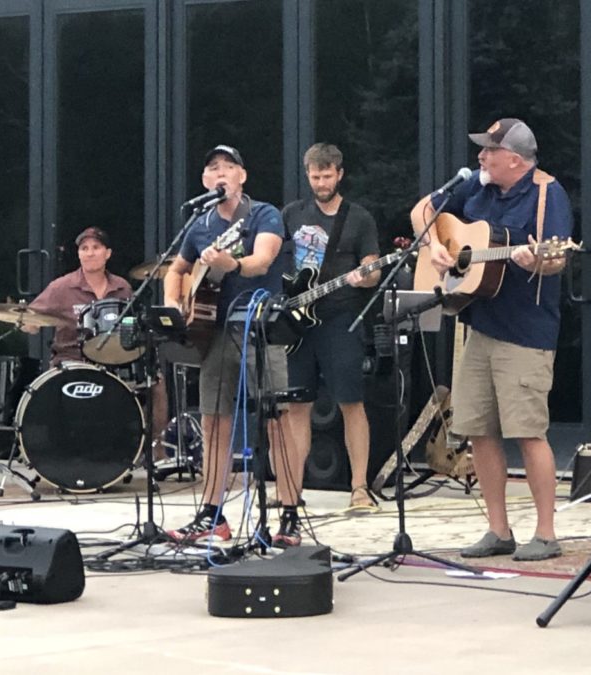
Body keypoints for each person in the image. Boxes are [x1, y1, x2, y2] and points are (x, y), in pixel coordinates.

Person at [409, 118, 572, 561]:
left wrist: (534, 261)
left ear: (514, 160)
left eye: (489, 151)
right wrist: (435, 250)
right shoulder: (475, 188)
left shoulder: (546, 195)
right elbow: (422, 212)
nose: (481, 157)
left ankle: (545, 533)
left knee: (528, 432)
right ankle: (498, 530)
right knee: (478, 430)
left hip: (526, 332)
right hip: (478, 326)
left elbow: (556, 259)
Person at [162, 145, 301, 547]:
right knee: (213, 418)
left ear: (242, 176)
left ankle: (288, 513)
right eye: (213, 170)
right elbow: (178, 269)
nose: (220, 174)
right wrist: (174, 301)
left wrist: (232, 264)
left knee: (276, 418)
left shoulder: (263, 214)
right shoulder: (200, 223)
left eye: (228, 168)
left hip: (260, 324)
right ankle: (211, 514)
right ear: (205, 182)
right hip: (215, 327)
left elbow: (263, 260)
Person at [281, 143, 381, 513]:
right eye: (314, 175)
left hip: (340, 318)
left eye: (326, 175)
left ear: (340, 174)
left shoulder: (359, 218)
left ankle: (359, 488)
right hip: (297, 323)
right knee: (296, 407)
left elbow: (374, 269)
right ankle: (291, 490)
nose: (320, 182)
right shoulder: (291, 214)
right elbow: (278, 262)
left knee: (351, 403)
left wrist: (365, 276)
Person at [24, 227, 132, 365]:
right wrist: (27, 322)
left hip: (114, 362)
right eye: (84, 249)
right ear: (79, 254)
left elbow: (133, 326)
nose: (90, 253)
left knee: (155, 379)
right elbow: (30, 317)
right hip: (71, 362)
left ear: (108, 253)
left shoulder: (122, 287)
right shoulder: (61, 287)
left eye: (96, 247)